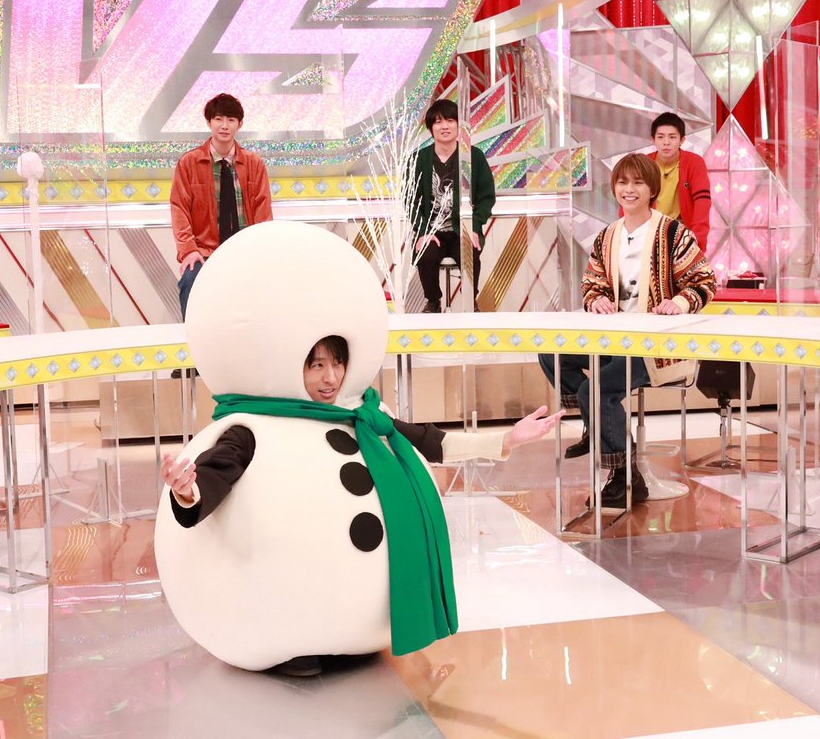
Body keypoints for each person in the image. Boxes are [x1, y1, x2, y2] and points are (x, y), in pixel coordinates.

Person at [161, 334, 563, 676]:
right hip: (287, 602)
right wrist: (188, 490)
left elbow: (432, 442)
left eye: (337, 364)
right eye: (316, 366)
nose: (330, 378)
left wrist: (508, 438)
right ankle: (302, 642)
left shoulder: (368, 416)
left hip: (362, 616)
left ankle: (354, 631)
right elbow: (219, 470)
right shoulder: (254, 425)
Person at [537, 153, 717, 508]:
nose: (629, 189)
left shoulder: (674, 234)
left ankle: (624, 477)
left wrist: (679, 303)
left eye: (637, 183)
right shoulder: (608, 236)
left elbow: (704, 282)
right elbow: (592, 283)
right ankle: (595, 425)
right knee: (552, 353)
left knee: (595, 390)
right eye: (622, 182)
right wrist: (598, 299)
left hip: (658, 349)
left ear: (653, 189)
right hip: (615, 341)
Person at [169, 92, 273, 320]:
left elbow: (263, 212)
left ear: (239, 124)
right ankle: (194, 336)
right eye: (218, 119)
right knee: (191, 280)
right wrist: (189, 251)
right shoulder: (189, 162)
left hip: (246, 249)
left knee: (269, 287)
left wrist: (262, 251)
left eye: (231, 120)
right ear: (209, 122)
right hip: (203, 251)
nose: (224, 126)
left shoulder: (254, 164)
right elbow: (179, 209)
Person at [408, 99, 497, 313]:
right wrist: (422, 231)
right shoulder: (418, 159)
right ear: (431, 128)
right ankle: (433, 301)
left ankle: (470, 300)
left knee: (470, 253)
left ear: (458, 125)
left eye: (450, 120)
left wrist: (474, 226)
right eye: (438, 122)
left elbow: (486, 198)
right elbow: (411, 201)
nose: (445, 126)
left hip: (462, 229)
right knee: (425, 254)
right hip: (431, 231)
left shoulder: (473, 157)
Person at [647, 112, 712, 251]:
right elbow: (631, 201)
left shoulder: (694, 162)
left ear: (682, 140)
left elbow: (702, 202)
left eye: (672, 137)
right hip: (649, 234)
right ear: (653, 139)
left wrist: (697, 241)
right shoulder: (644, 163)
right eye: (660, 137)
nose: (666, 142)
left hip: (682, 235)